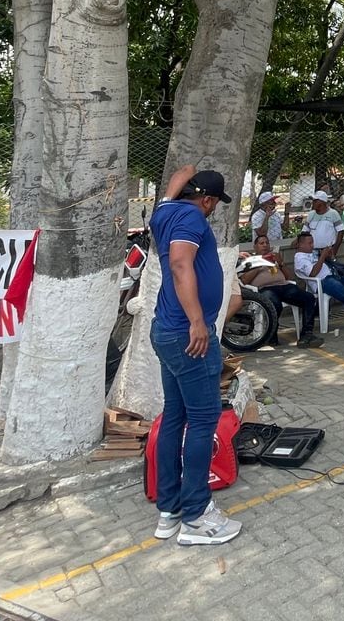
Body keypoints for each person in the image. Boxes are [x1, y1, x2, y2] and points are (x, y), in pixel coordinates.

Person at [147, 165, 241, 546]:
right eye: (215, 204)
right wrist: (198, 322)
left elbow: (167, 200)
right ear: (207, 200)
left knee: (175, 416)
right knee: (203, 421)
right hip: (189, 336)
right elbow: (180, 263)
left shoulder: (166, 212)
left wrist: (175, 182)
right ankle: (197, 516)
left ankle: (169, 512)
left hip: (167, 331)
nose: (213, 210)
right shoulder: (189, 216)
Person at [239, 235, 323, 348]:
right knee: (274, 304)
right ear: (255, 247)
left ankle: (306, 335)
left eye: (267, 243)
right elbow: (244, 280)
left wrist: (281, 263)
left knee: (309, 298)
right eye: (261, 243)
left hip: (284, 286)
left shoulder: (274, 258)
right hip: (265, 289)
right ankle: (271, 337)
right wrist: (260, 265)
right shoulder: (250, 261)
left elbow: (289, 277)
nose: (265, 245)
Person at [291, 232, 344, 332]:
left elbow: (330, 260)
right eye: (309, 243)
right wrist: (322, 257)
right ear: (300, 244)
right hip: (323, 282)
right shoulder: (300, 258)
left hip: (335, 276)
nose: (312, 245)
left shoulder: (313, 253)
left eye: (312, 242)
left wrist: (328, 255)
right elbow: (312, 273)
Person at [306, 190, 344, 274]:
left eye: (315, 201)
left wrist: (334, 249)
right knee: (316, 272)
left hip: (327, 251)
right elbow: (305, 231)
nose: (312, 203)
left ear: (321, 202)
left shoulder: (333, 214)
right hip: (313, 251)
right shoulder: (311, 214)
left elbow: (340, 231)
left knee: (331, 272)